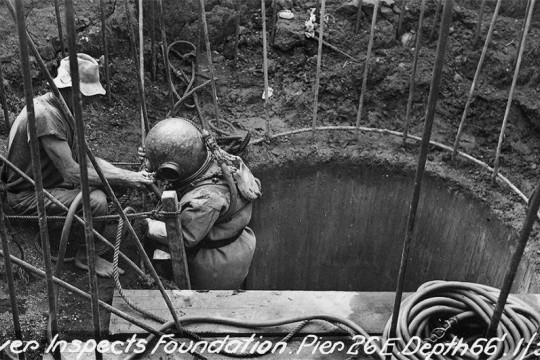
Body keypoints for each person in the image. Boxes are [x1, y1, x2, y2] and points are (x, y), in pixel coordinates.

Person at [2, 53, 153, 277]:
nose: (90, 102)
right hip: (27, 194)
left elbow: (86, 159)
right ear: (69, 89)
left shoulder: (64, 110)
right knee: (97, 201)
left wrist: (130, 176)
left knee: (116, 183)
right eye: (85, 95)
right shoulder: (45, 116)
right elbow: (72, 172)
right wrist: (126, 179)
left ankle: (72, 227)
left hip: (52, 182)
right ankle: (84, 256)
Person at [142, 118, 261, 290]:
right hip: (237, 244)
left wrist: (149, 226)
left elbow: (184, 237)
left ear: (173, 170)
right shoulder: (220, 161)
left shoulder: (204, 199)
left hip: (217, 265)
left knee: (209, 302)